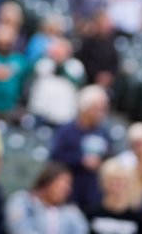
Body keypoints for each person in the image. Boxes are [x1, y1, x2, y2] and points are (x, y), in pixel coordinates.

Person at [49, 84, 113, 212]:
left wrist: (101, 162)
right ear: (85, 108)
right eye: (97, 109)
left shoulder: (103, 133)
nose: (101, 114)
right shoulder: (67, 131)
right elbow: (55, 157)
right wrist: (80, 160)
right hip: (69, 193)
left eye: (104, 109)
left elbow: (110, 156)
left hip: (93, 194)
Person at [5, 161, 88, 234]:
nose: (68, 189)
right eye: (64, 182)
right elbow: (21, 230)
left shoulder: (71, 212)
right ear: (47, 182)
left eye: (69, 184)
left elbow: (81, 230)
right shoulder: (23, 201)